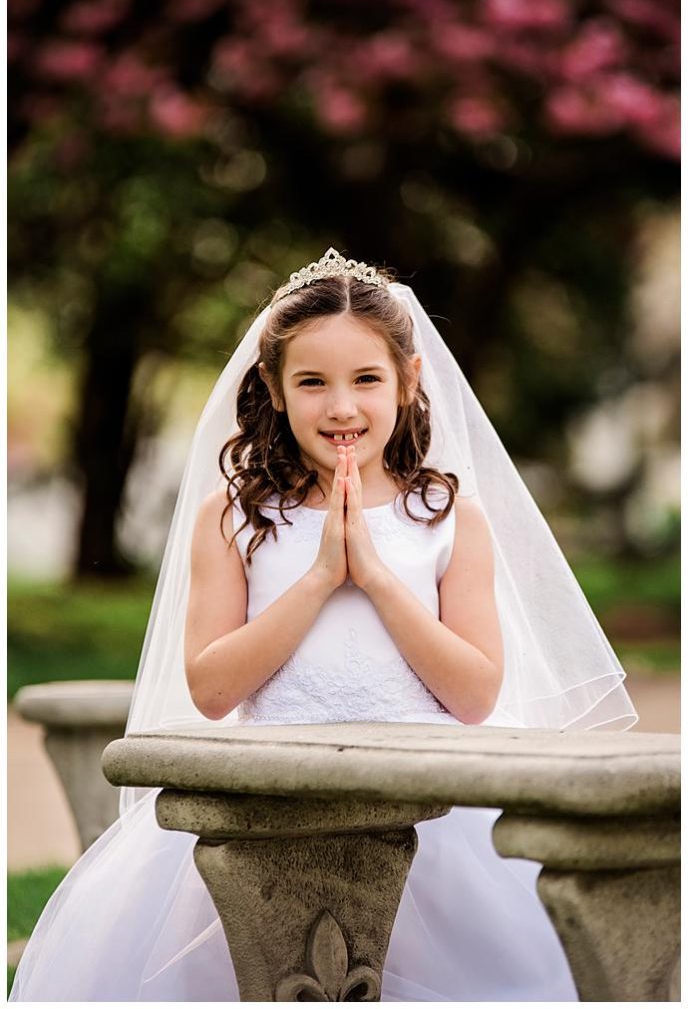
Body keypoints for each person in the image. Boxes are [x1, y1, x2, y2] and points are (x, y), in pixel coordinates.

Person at [10, 248, 637, 1002]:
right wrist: (319, 578)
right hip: (271, 816)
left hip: (431, 814)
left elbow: (474, 694)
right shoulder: (235, 519)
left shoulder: (447, 519)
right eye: (312, 382)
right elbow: (211, 689)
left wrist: (373, 576)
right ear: (273, 389)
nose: (341, 407)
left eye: (366, 379)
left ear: (408, 384)